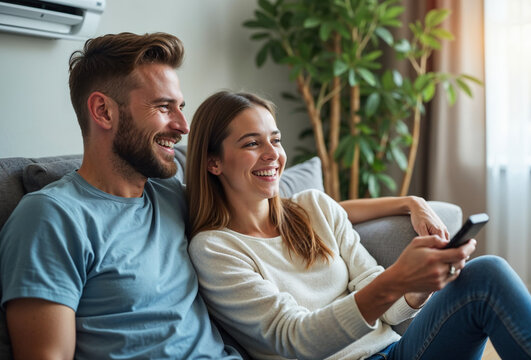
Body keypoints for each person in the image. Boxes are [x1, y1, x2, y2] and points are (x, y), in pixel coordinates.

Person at [0, 32, 447, 359]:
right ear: (103, 111)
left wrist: (409, 203)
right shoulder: (51, 217)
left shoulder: (169, 192)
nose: (183, 126)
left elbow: (286, 209)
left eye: (181, 107)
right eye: (163, 107)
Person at [185, 91, 531, 360]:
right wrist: (398, 278)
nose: (274, 155)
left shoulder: (313, 207)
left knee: (486, 273)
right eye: (252, 143)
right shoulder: (215, 249)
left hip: (398, 352)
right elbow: (296, 339)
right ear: (212, 162)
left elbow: (389, 312)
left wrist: (417, 286)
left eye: (276, 139)